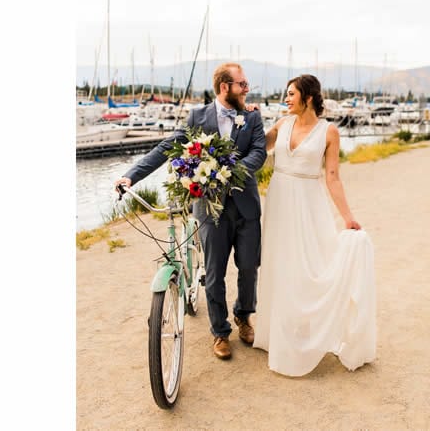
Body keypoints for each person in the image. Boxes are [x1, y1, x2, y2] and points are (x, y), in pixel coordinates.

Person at [115, 62, 267, 360]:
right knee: (213, 273)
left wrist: (229, 171)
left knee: (249, 268)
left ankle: (243, 315)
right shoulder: (198, 117)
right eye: (243, 84)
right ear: (225, 87)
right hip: (211, 210)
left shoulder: (252, 117)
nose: (247, 89)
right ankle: (220, 332)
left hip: (246, 207)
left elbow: (259, 153)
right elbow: (165, 148)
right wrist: (131, 176)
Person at [253, 74, 376, 376]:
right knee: (281, 264)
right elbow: (257, 148)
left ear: (308, 97)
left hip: (310, 205)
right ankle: (277, 333)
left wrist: (348, 217)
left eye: (291, 94)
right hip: (279, 201)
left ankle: (312, 332)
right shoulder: (281, 124)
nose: (286, 99)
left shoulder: (329, 131)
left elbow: (332, 176)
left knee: (311, 266)